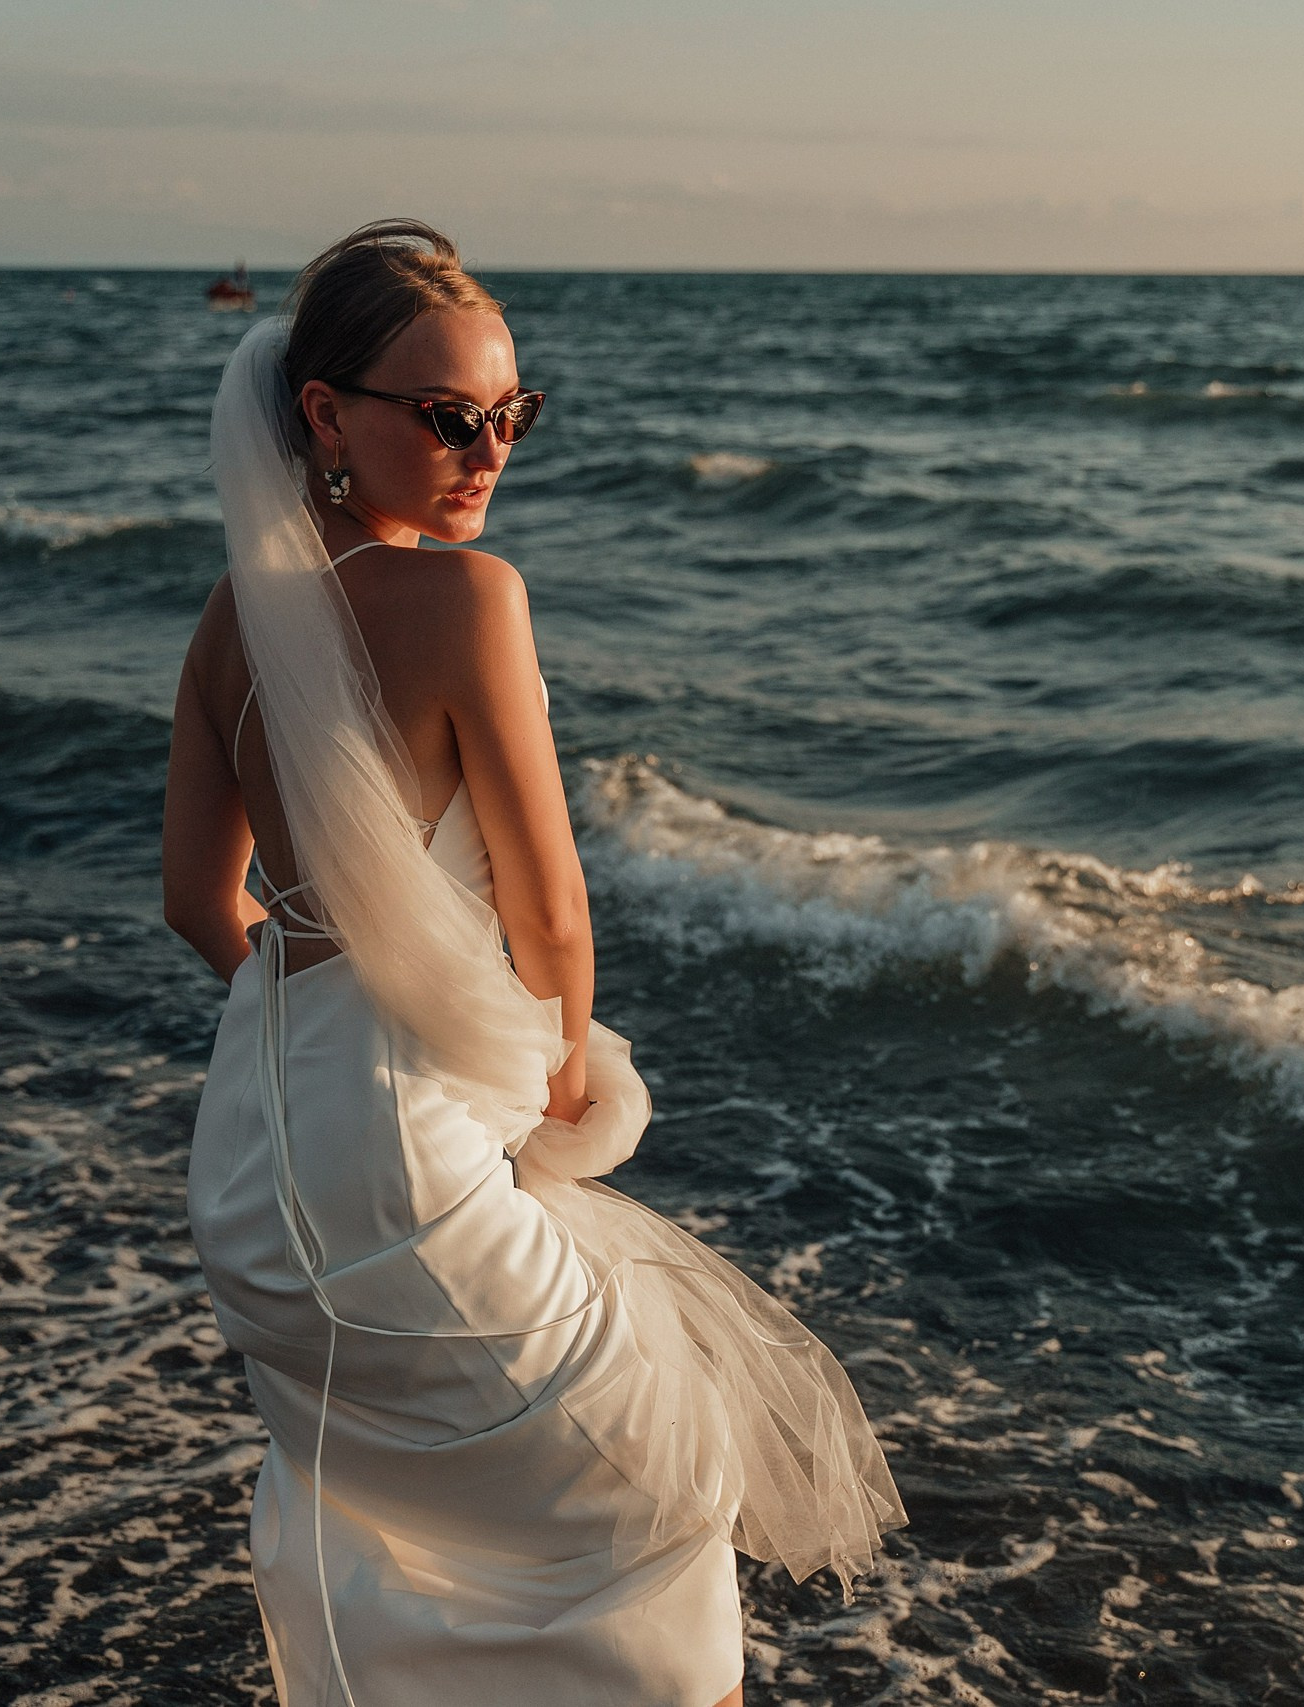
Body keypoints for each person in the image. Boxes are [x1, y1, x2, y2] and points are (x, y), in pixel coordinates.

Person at [161, 219, 902, 1707]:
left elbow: (194, 902)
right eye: (448, 417)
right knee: (657, 1496)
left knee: (410, 1532)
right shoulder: (470, 598)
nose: (487, 451)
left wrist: (329, 1024)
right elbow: (554, 914)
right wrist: (549, 1103)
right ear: (326, 415)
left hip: (250, 1165)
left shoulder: (234, 618)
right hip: (408, 1170)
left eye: (514, 413)